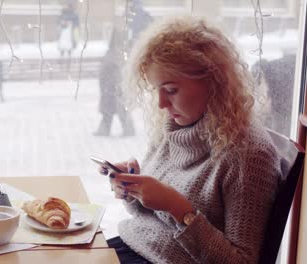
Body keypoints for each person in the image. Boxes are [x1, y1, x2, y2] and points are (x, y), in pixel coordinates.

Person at [98, 16, 282, 263]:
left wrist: (178, 208)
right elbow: (149, 220)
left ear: (214, 80)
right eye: (157, 90)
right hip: (133, 246)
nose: (162, 104)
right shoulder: (176, 124)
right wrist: (133, 190)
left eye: (171, 90)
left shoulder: (249, 155)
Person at [94, 28, 135, 137]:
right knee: (111, 109)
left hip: (114, 86)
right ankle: (107, 129)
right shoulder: (117, 52)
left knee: (118, 109)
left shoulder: (117, 53)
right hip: (110, 85)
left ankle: (127, 129)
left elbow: (119, 71)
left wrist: (118, 85)